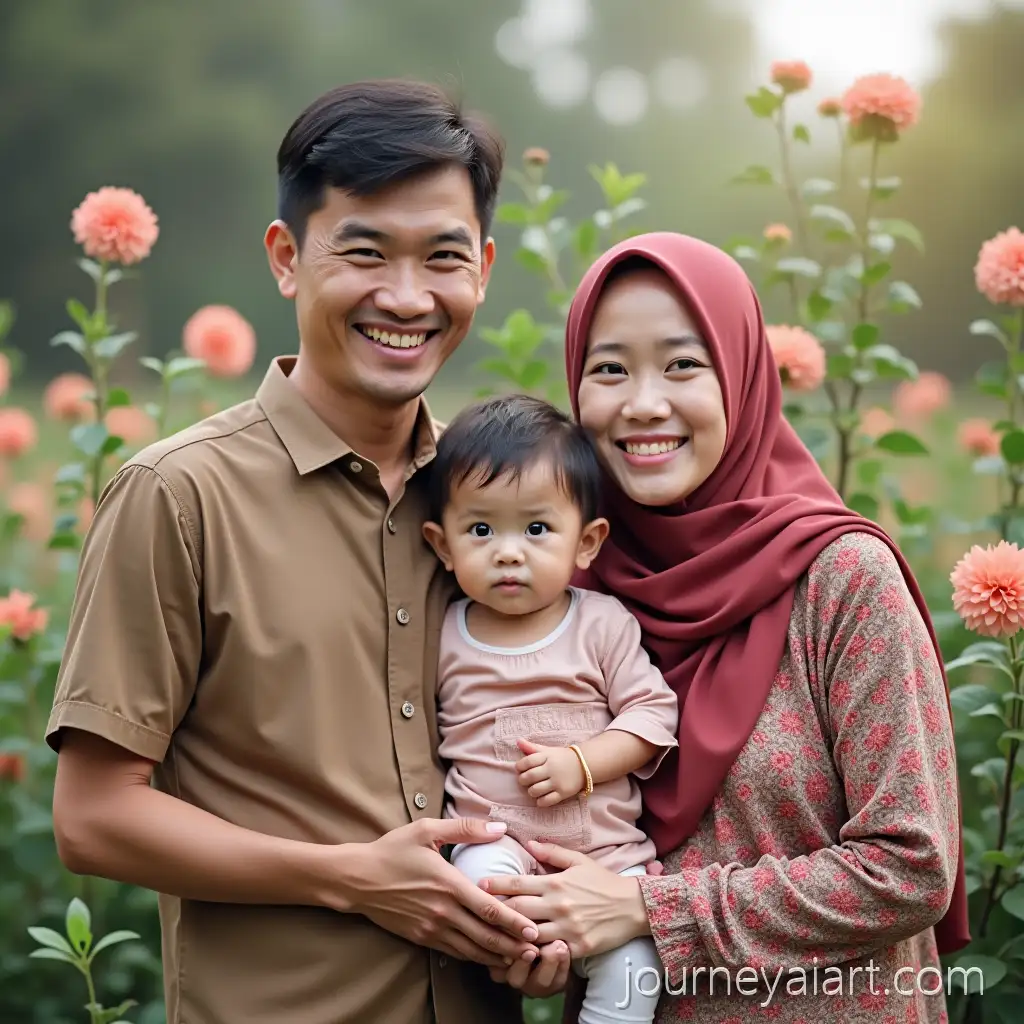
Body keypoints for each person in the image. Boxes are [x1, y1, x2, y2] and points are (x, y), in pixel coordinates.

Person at [45, 79, 552, 1024]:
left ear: (482, 268)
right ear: (286, 259)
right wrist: (351, 879)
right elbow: (93, 815)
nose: (407, 297)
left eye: (443, 257)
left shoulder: (497, 510)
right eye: (364, 252)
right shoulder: (179, 496)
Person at [481, 232, 971, 1023]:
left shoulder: (839, 579)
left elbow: (912, 864)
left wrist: (650, 910)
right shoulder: (570, 586)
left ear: (741, 376)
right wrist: (533, 928)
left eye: (682, 364)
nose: (643, 403)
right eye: (609, 369)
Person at [421, 393, 679, 1023]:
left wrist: (583, 764)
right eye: (481, 530)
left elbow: (653, 715)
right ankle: (521, 955)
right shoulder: (442, 634)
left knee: (637, 969)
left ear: (586, 542)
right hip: (494, 845)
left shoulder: (600, 625)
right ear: (443, 544)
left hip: (606, 860)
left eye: (537, 529)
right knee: (482, 894)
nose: (509, 551)